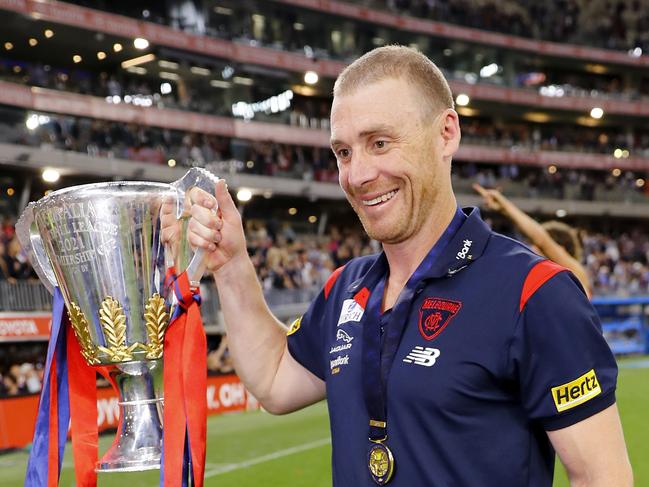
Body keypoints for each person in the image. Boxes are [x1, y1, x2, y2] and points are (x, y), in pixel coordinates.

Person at [174, 46, 632, 486]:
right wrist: (231, 263)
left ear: (446, 133)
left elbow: (602, 476)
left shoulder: (535, 292)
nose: (357, 175)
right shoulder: (345, 289)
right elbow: (273, 379)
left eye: (380, 142)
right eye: (344, 152)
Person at [473, 183, 592, 296]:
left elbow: (542, 239)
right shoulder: (545, 278)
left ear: (561, 248)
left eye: (538, 246)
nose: (532, 248)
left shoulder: (575, 272)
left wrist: (504, 206)